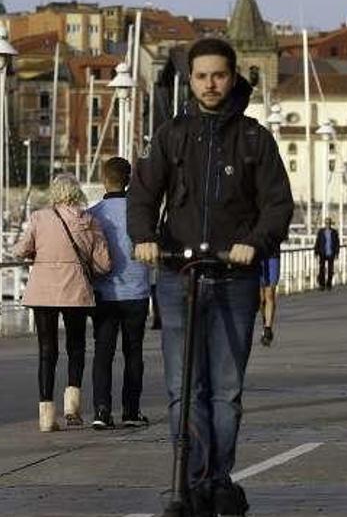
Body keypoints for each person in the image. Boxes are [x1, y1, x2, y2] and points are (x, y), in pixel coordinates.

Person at [128, 37, 294, 516]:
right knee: (185, 388)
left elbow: (278, 205)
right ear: (190, 80)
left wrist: (255, 243)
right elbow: (142, 196)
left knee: (225, 390)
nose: (210, 84)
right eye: (201, 76)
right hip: (178, 276)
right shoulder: (172, 136)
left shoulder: (254, 139)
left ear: (233, 76)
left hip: (233, 277)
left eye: (218, 75)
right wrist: (144, 236)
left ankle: (220, 478)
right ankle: (190, 479)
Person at [13, 173, 111, 432]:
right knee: (76, 347)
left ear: (54, 193)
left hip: (43, 291)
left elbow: (20, 250)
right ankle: (72, 408)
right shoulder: (89, 221)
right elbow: (104, 264)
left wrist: (39, 253)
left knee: (47, 351)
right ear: (76, 192)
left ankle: (46, 416)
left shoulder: (39, 218)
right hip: (75, 291)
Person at [87, 158, 151, 430]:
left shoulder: (93, 214)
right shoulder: (142, 213)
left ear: (104, 179)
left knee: (103, 353)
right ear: (129, 180)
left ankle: (101, 410)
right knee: (133, 352)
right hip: (136, 290)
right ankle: (131, 411)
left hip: (104, 292)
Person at [258, 253, 280, 346]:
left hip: (273, 256)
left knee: (270, 293)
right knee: (261, 299)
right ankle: (265, 321)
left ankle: (268, 329)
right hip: (258, 257)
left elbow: (283, 237)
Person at [314, 217, 341, 291]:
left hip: (331, 253)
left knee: (330, 269)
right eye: (326, 223)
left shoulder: (334, 232)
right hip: (322, 252)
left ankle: (329, 284)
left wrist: (337, 253)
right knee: (321, 269)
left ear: (330, 224)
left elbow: (337, 243)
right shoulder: (321, 232)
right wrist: (316, 252)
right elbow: (317, 242)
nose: (327, 224)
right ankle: (321, 285)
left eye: (328, 223)